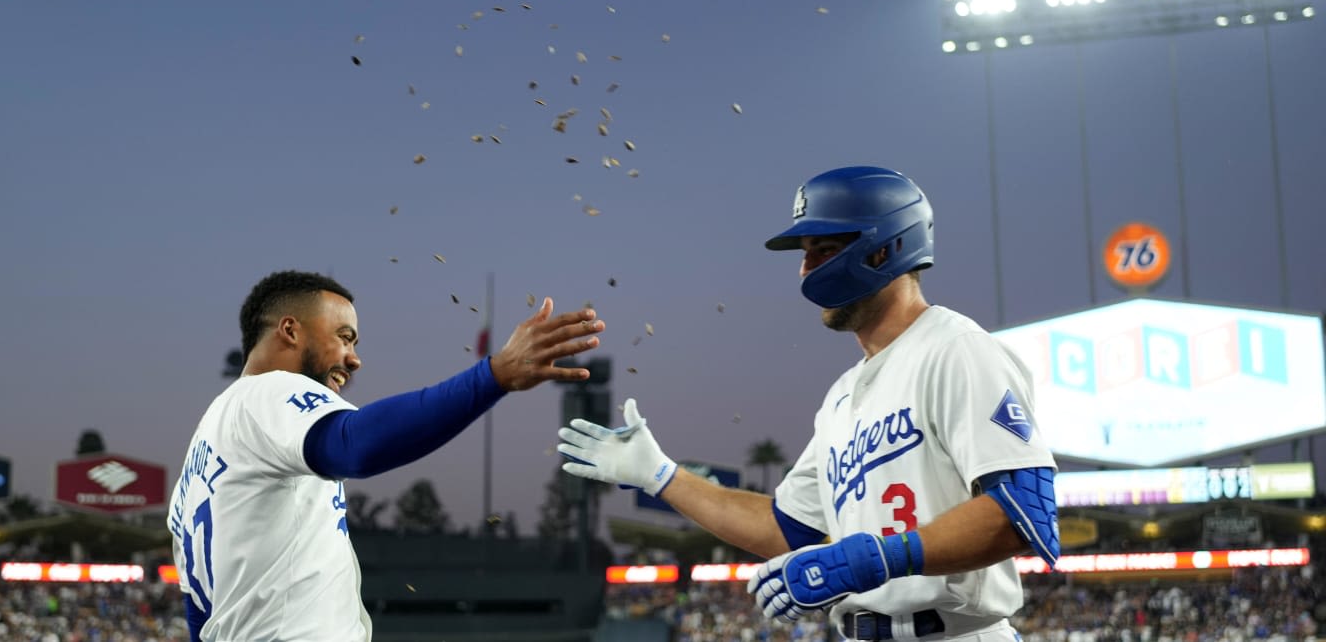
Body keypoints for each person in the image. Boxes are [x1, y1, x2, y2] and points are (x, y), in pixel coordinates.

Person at [559, 166, 1059, 641]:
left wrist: (868, 560)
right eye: (805, 253)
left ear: (883, 250)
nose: (805, 269)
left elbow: (1024, 512)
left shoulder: (955, 349)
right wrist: (663, 476)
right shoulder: (842, 395)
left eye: (822, 250)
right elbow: (787, 527)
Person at [169, 269, 605, 642]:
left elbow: (198, 610)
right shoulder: (269, 392)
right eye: (344, 337)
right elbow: (355, 445)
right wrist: (493, 377)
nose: (354, 358)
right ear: (290, 330)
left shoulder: (204, 446)